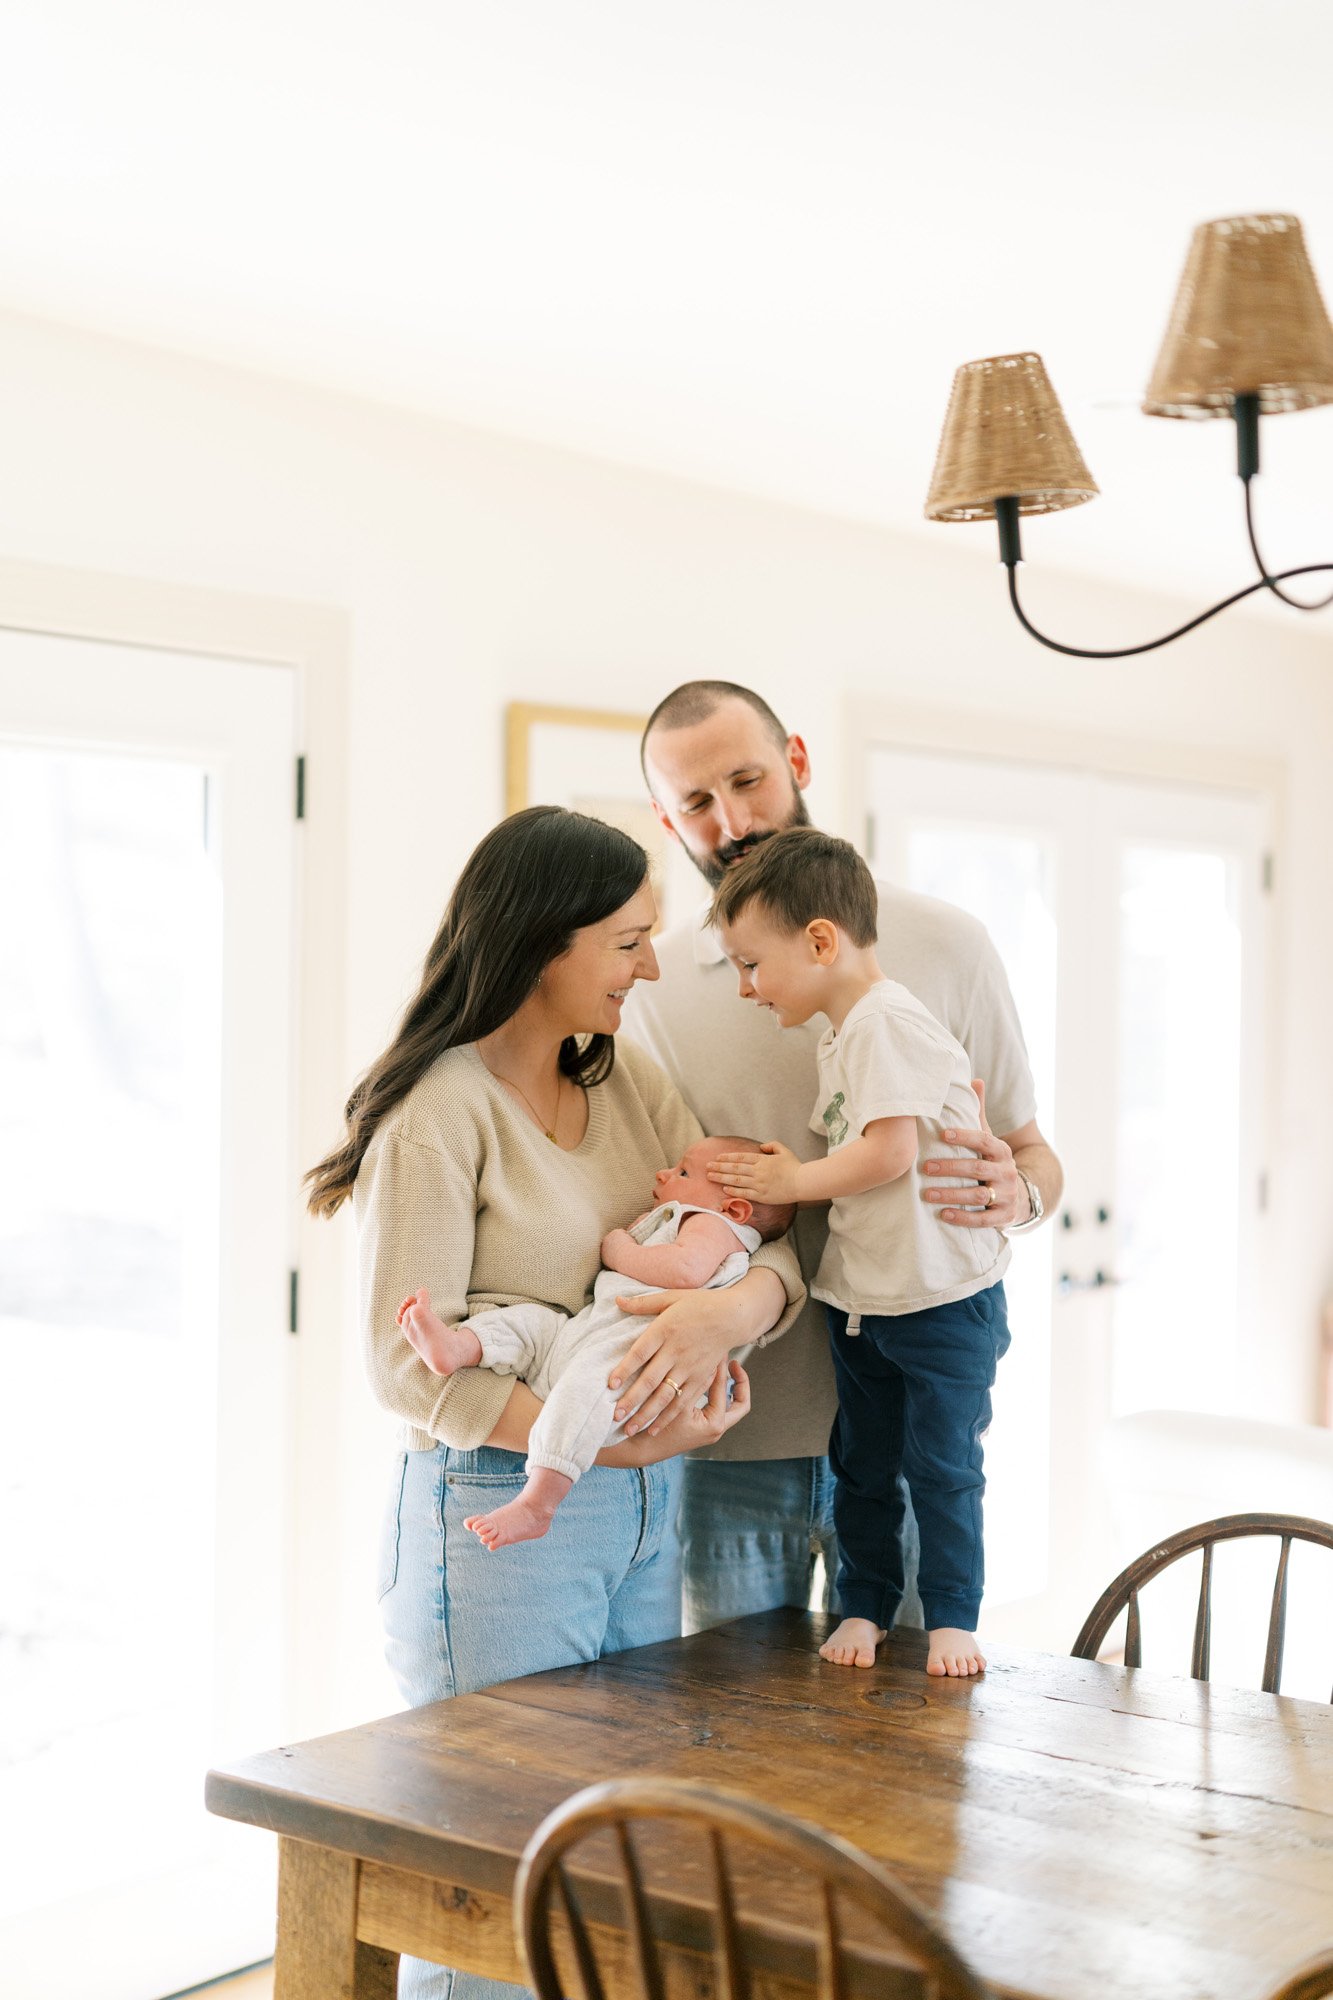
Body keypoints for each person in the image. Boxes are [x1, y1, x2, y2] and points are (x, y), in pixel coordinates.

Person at [304, 804, 804, 2000]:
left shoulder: (627, 1078)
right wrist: (603, 1444)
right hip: (496, 1519)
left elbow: (756, 1238)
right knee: (497, 1886)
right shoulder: (438, 1112)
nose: (649, 967)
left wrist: (734, 1311)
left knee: (597, 1875)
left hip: (638, 1506)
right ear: (543, 941)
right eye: (628, 940)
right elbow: (404, 1365)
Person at [617, 682, 1061, 1635]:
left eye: (748, 779)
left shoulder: (947, 944)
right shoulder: (654, 992)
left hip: (911, 1429)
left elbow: (1032, 1153)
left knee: (914, 1746)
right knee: (729, 1750)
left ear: (800, 764)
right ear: (665, 818)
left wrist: (1016, 1192)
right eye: (695, 803)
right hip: (732, 1435)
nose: (731, 821)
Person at [709, 826, 1011, 1677]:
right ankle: (867, 1605)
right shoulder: (844, 1032)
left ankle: (951, 1614)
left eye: (750, 964)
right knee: (862, 1467)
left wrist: (788, 1182)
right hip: (865, 1300)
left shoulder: (884, 1021)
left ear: (818, 941)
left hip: (940, 1299)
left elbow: (887, 1155)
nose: (743, 989)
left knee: (942, 1469)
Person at [396, 1136, 795, 1548]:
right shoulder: (695, 1214)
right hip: (590, 1328)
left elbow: (686, 1270)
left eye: (683, 1172)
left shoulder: (712, 1224)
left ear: (735, 1209)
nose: (665, 1173)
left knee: (584, 1392)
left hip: (630, 1351)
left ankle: (538, 1502)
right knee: (533, 1326)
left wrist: (619, 1249)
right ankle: (460, 1347)